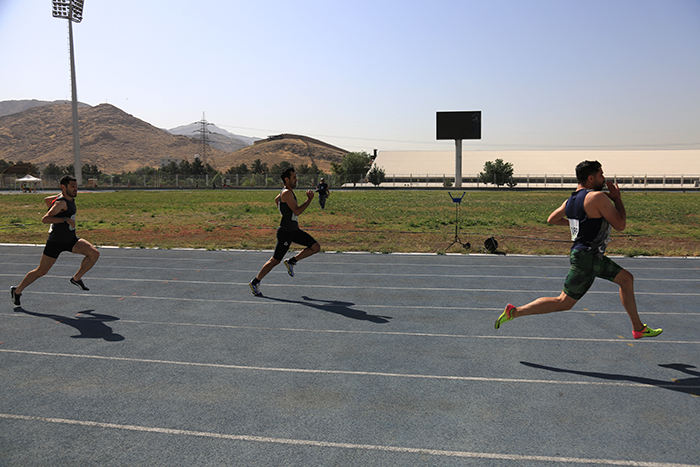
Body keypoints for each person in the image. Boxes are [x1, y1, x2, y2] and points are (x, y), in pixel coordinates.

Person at [495, 160, 662, 340]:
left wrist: (577, 224)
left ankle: (638, 328)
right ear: (591, 178)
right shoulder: (597, 198)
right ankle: (515, 312)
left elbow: (552, 218)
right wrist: (617, 199)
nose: (604, 178)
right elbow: (620, 225)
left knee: (626, 280)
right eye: (601, 174)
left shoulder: (571, 200)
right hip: (588, 257)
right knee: (563, 302)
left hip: (586, 255)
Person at [10, 175, 100, 306]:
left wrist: (61, 195)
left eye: (76, 187)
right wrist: (65, 219)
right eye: (72, 187)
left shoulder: (64, 198)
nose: (75, 189)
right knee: (41, 271)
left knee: (94, 254)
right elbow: (45, 219)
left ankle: (76, 278)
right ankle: (17, 291)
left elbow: (47, 200)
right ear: (64, 187)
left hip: (70, 239)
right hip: (56, 242)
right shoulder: (61, 203)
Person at [249, 167, 321, 296]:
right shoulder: (287, 193)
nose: (296, 179)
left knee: (315, 247)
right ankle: (255, 282)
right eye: (294, 177)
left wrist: (283, 211)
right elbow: (297, 211)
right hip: (286, 233)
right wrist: (309, 199)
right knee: (275, 260)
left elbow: (277, 200)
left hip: (294, 230)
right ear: (286, 179)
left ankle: (292, 261)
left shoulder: (286, 192)